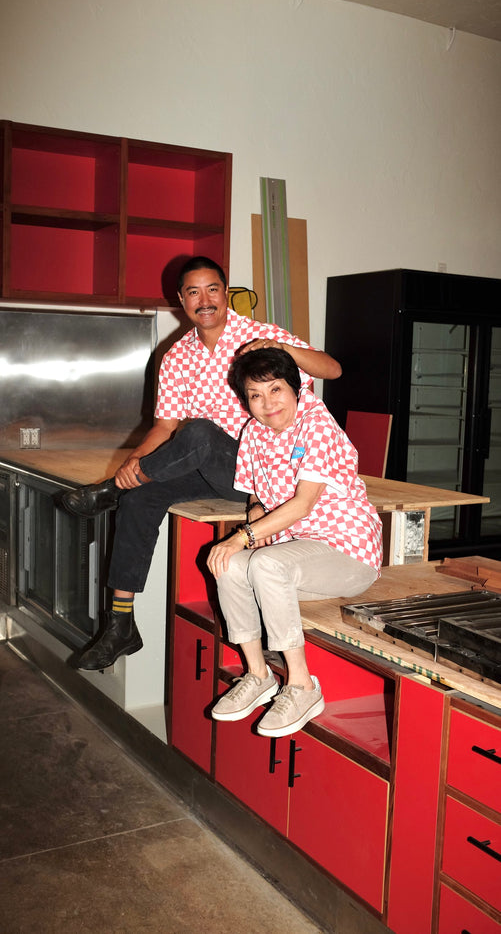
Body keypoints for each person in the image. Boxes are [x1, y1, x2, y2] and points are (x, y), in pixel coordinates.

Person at [59, 256, 342, 671]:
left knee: (201, 432)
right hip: (211, 470)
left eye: (212, 290)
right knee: (139, 497)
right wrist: (131, 465)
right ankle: (120, 623)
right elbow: (163, 426)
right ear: (181, 299)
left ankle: (109, 494)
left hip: (264, 479)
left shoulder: (261, 336)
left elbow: (332, 369)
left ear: (225, 294)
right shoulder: (176, 357)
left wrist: (284, 349)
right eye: (194, 292)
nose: (204, 300)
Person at [206, 346, 382, 738]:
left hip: (347, 553)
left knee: (263, 562)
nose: (267, 404)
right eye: (255, 395)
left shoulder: (317, 424)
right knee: (229, 564)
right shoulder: (252, 433)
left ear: (296, 388)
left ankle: (301, 685)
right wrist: (253, 523)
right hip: (298, 552)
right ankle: (257, 674)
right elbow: (256, 498)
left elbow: (302, 505)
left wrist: (243, 536)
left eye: (276, 390)